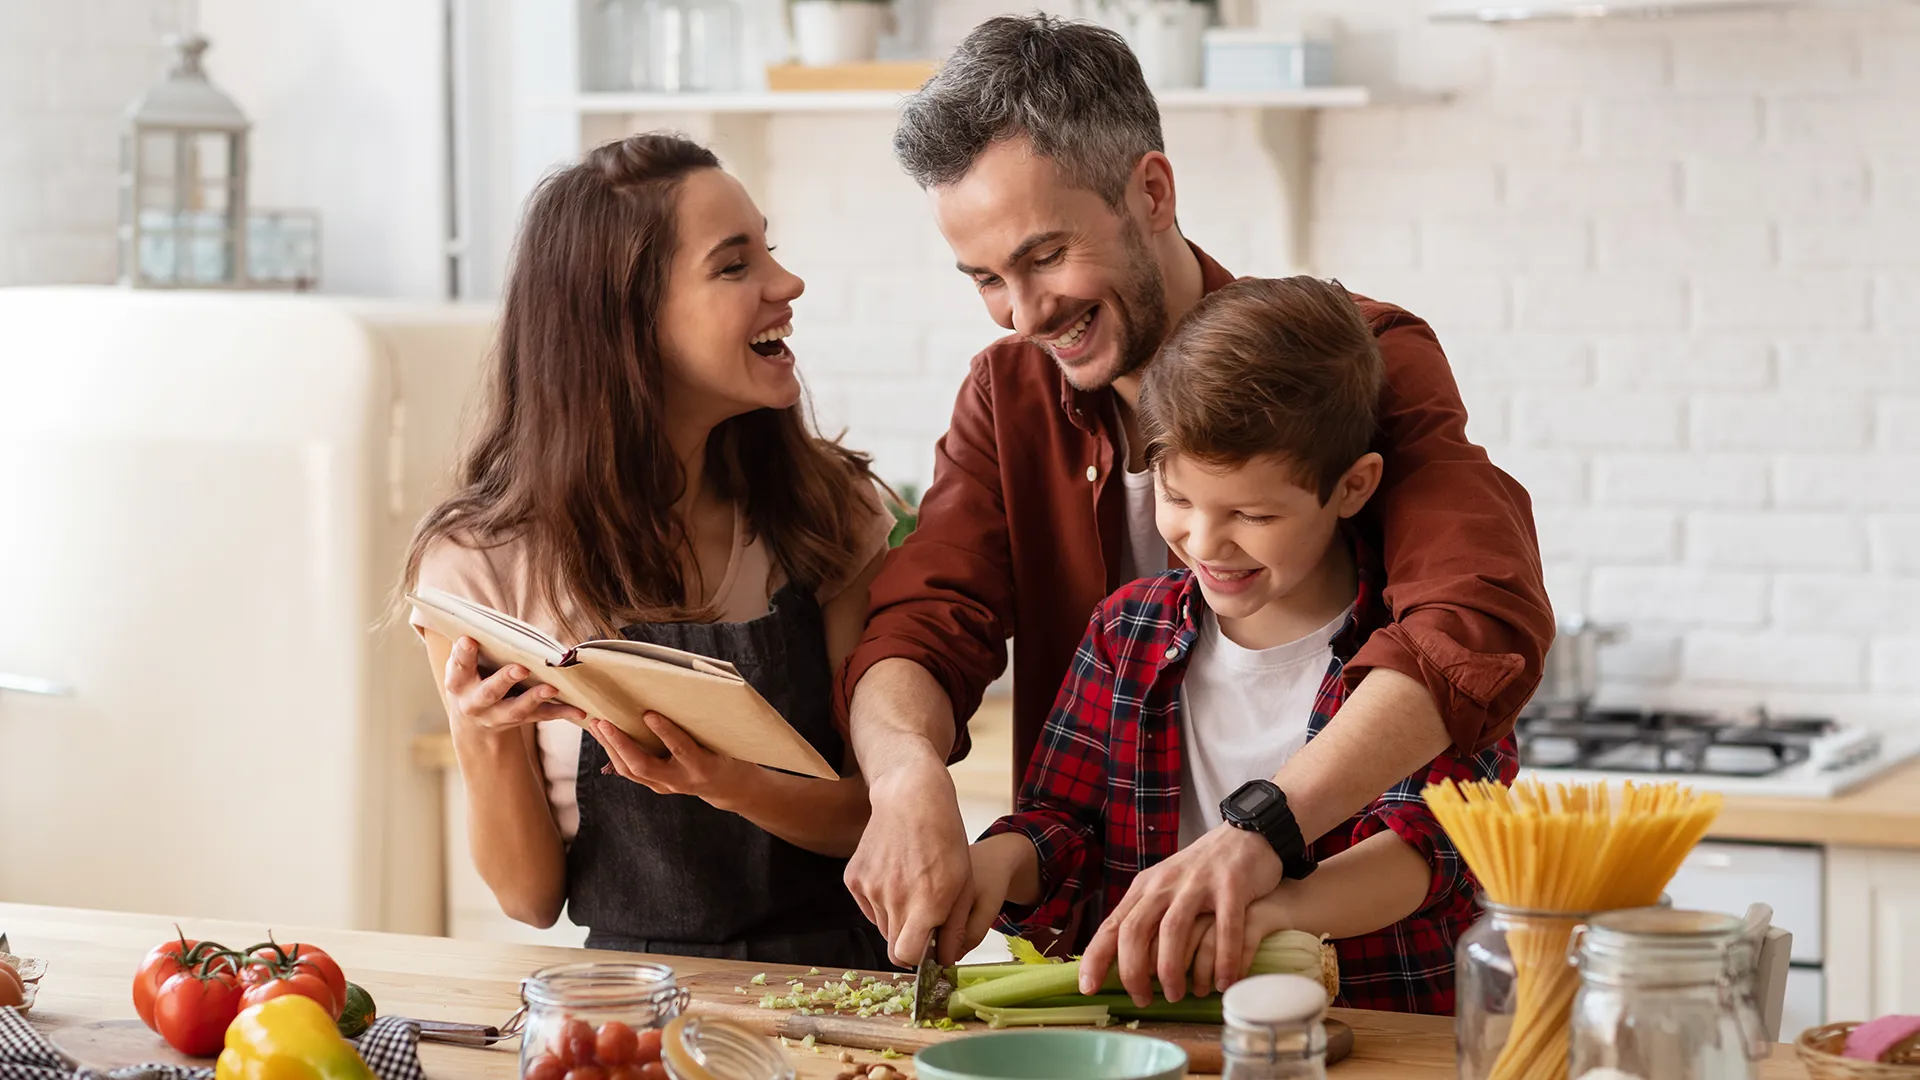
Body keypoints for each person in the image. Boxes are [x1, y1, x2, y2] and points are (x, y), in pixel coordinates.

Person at [839, 14, 1553, 1001]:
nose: (1023, 313)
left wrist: (1261, 836)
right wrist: (905, 776)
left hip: (1367, 995)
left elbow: (1472, 617)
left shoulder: (1356, 361)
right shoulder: (1009, 396)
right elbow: (924, 623)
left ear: (1152, 192)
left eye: (1045, 256)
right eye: (987, 279)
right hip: (1133, 999)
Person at [402, 133, 894, 967]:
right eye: (734, 266)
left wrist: (728, 783)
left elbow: (876, 816)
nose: (787, 284)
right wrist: (478, 732)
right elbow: (529, 899)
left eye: (768, 250)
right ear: (625, 321)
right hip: (630, 1001)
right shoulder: (478, 568)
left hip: (838, 986)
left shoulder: (828, 511)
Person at [966, 277, 1518, 1015]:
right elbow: (1062, 827)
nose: (1205, 542)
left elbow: (1432, 846)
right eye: (1178, 497)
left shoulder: (1419, 650)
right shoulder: (1125, 631)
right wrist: (992, 866)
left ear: (1352, 487)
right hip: (1165, 1042)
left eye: (1253, 515)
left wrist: (1270, 913)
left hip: (1380, 1033)